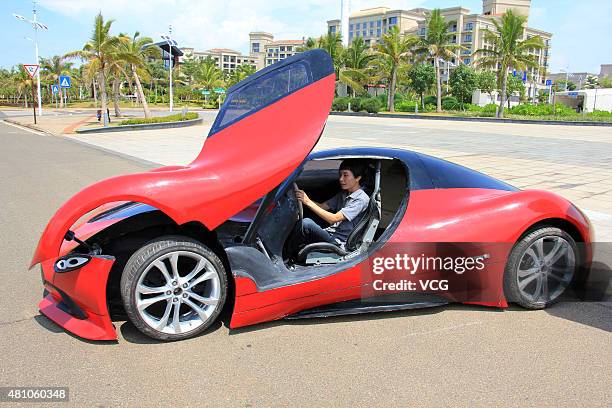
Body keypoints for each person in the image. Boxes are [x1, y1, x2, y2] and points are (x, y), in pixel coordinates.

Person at [287, 159, 370, 258]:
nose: (341, 179)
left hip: (338, 243)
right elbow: (322, 206)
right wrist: (302, 198)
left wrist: (307, 201)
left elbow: (333, 218)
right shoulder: (345, 193)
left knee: (306, 223)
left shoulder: (361, 199)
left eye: (345, 175)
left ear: (358, 178)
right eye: (340, 175)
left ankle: (287, 256)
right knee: (307, 217)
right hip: (331, 232)